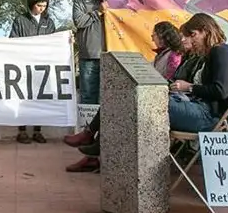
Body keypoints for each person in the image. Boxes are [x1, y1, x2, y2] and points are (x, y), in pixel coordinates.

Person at [62, 21, 183, 171]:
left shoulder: (174, 57)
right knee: (111, 104)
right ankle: (92, 148)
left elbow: (165, 81)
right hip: (150, 96)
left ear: (164, 36)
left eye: (155, 34)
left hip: (159, 100)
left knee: (115, 109)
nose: (152, 37)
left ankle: (91, 144)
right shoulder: (162, 55)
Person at [166, 13, 228, 132]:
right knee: (153, 100)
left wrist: (189, 87)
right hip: (197, 107)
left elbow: (221, 91)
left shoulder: (221, 52)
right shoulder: (209, 54)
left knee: (153, 104)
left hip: (208, 115)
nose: (191, 40)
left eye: (193, 35)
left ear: (205, 31)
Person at [9, 0, 56, 143]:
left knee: (40, 98)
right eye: (38, 5)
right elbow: (13, 40)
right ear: (32, 4)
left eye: (44, 6)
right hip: (24, 66)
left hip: (42, 67)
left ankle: (37, 130)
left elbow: (54, 41)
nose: (41, 9)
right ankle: (22, 131)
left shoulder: (49, 22)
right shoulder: (20, 20)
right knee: (22, 97)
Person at [72, 0, 105, 106]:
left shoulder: (111, 0)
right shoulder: (80, 2)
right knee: (88, 97)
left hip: (110, 56)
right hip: (89, 57)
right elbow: (79, 22)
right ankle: (87, 127)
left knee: (108, 97)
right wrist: (98, 12)